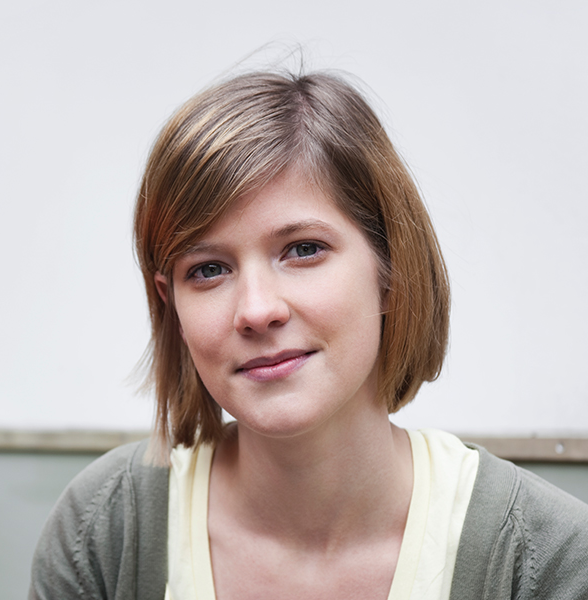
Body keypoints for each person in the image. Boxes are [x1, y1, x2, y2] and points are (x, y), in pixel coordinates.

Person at [29, 70, 588, 600]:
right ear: (169, 303)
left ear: (391, 269)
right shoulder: (105, 527)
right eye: (208, 270)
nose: (256, 310)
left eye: (303, 250)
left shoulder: (547, 558)